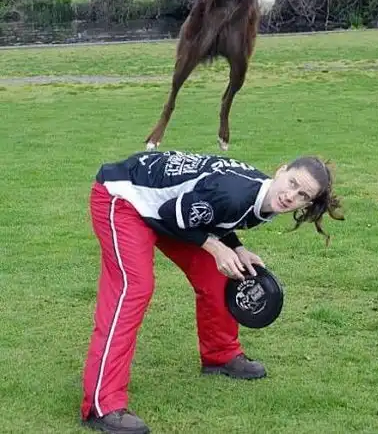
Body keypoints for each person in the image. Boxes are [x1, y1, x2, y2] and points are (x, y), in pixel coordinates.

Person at [81, 150, 343, 434]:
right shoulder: (237, 192)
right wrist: (215, 246)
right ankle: (102, 404)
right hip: (123, 198)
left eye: (303, 195)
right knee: (134, 288)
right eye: (292, 183)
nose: (291, 196)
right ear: (281, 171)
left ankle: (221, 355)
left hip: (167, 208)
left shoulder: (264, 197)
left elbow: (213, 214)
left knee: (221, 274)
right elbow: (171, 214)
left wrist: (237, 248)